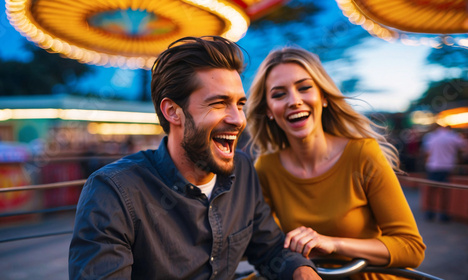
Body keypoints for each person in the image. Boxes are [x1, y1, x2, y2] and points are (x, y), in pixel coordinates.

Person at [69, 36, 320, 280]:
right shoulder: (112, 191)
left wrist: (301, 271)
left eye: (240, 104)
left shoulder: (242, 169)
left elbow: (269, 248)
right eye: (219, 103)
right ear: (173, 111)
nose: (238, 119)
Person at [246, 47, 425, 279]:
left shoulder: (362, 154)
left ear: (324, 96)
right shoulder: (266, 168)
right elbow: (265, 243)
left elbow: (411, 248)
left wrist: (332, 244)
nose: (294, 101)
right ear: (269, 110)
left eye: (304, 88)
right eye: (279, 94)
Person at [422, 124, 467, 222]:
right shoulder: (453, 136)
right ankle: (444, 215)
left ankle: (430, 213)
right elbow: (464, 146)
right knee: (445, 192)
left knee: (431, 191)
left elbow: (427, 153)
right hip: (447, 167)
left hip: (433, 167)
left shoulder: (431, 136)